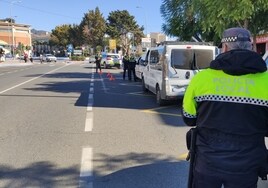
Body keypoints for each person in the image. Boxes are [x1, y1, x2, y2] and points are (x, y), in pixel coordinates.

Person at [182, 27, 268, 188]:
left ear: (225, 47)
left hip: (207, 163)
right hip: (247, 165)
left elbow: (189, 118)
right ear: (251, 47)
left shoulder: (201, 79)